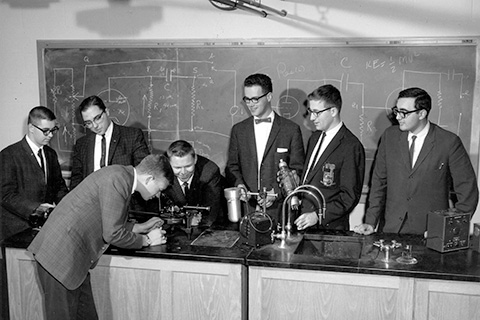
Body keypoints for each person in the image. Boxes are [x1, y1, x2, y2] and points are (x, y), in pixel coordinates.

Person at [27, 154, 174, 319]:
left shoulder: (121, 176)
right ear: (149, 179)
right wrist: (147, 241)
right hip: (59, 257)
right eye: (159, 189)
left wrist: (140, 227)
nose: (158, 195)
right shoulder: (118, 180)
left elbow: (109, 220)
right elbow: (113, 234)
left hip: (73, 260)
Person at [355, 87, 479, 235]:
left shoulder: (449, 142)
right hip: (391, 230)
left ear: (422, 113)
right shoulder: (389, 137)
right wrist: (370, 221)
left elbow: (468, 192)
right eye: (397, 111)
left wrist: (447, 229)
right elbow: (378, 183)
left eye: (404, 113)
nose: (398, 117)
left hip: (429, 233)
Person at [226, 73, 305, 223]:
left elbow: (297, 169)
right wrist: (239, 185)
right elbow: (232, 166)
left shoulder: (291, 130)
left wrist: (277, 192)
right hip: (248, 211)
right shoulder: (239, 130)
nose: (250, 104)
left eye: (255, 99)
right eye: (247, 99)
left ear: (269, 97)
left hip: (279, 213)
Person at [293, 84, 365, 231]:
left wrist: (317, 216)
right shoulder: (315, 138)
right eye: (310, 111)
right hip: (305, 224)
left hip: (330, 229)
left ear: (333, 111)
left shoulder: (351, 146)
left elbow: (349, 196)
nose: (312, 118)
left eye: (316, 112)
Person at [0, 106, 68, 242]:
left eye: (53, 130)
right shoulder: (8, 155)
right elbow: (5, 195)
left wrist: (67, 206)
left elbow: (59, 187)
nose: (50, 135)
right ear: (31, 128)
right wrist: (38, 208)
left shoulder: (50, 154)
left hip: (44, 229)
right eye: (45, 131)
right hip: (16, 231)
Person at [70, 95, 150, 189]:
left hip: (123, 199)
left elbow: (143, 173)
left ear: (107, 112)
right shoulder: (81, 144)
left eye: (98, 118)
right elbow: (76, 180)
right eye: (88, 123)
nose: (95, 126)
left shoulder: (132, 136)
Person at [162, 140, 226, 226]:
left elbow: (211, 211)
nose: (183, 172)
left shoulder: (210, 172)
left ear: (195, 159)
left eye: (188, 166)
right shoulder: (162, 172)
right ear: (169, 163)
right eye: (177, 168)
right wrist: (184, 221)